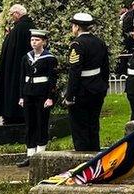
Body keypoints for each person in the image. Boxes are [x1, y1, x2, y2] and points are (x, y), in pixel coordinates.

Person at [65, 13, 110, 152]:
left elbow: (75, 72)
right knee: (93, 124)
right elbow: (105, 68)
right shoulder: (99, 42)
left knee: (79, 127)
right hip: (97, 88)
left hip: (81, 90)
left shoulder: (77, 45)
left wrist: (70, 95)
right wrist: (103, 86)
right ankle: (95, 155)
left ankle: (82, 158)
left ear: (77, 27)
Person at [16, 28, 57, 167]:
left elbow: (52, 79)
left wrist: (50, 97)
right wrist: (21, 96)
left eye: (37, 40)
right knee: (30, 124)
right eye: (32, 40)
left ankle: (41, 154)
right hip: (28, 94)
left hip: (42, 95)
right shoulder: (26, 57)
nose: (34, 42)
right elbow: (22, 78)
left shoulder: (49, 58)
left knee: (41, 123)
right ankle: (30, 155)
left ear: (44, 42)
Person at [0, 4, 34, 124]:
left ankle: (14, 114)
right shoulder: (23, 27)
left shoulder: (21, 28)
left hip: (14, 68)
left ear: (17, 14)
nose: (10, 17)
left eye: (11, 14)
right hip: (15, 66)